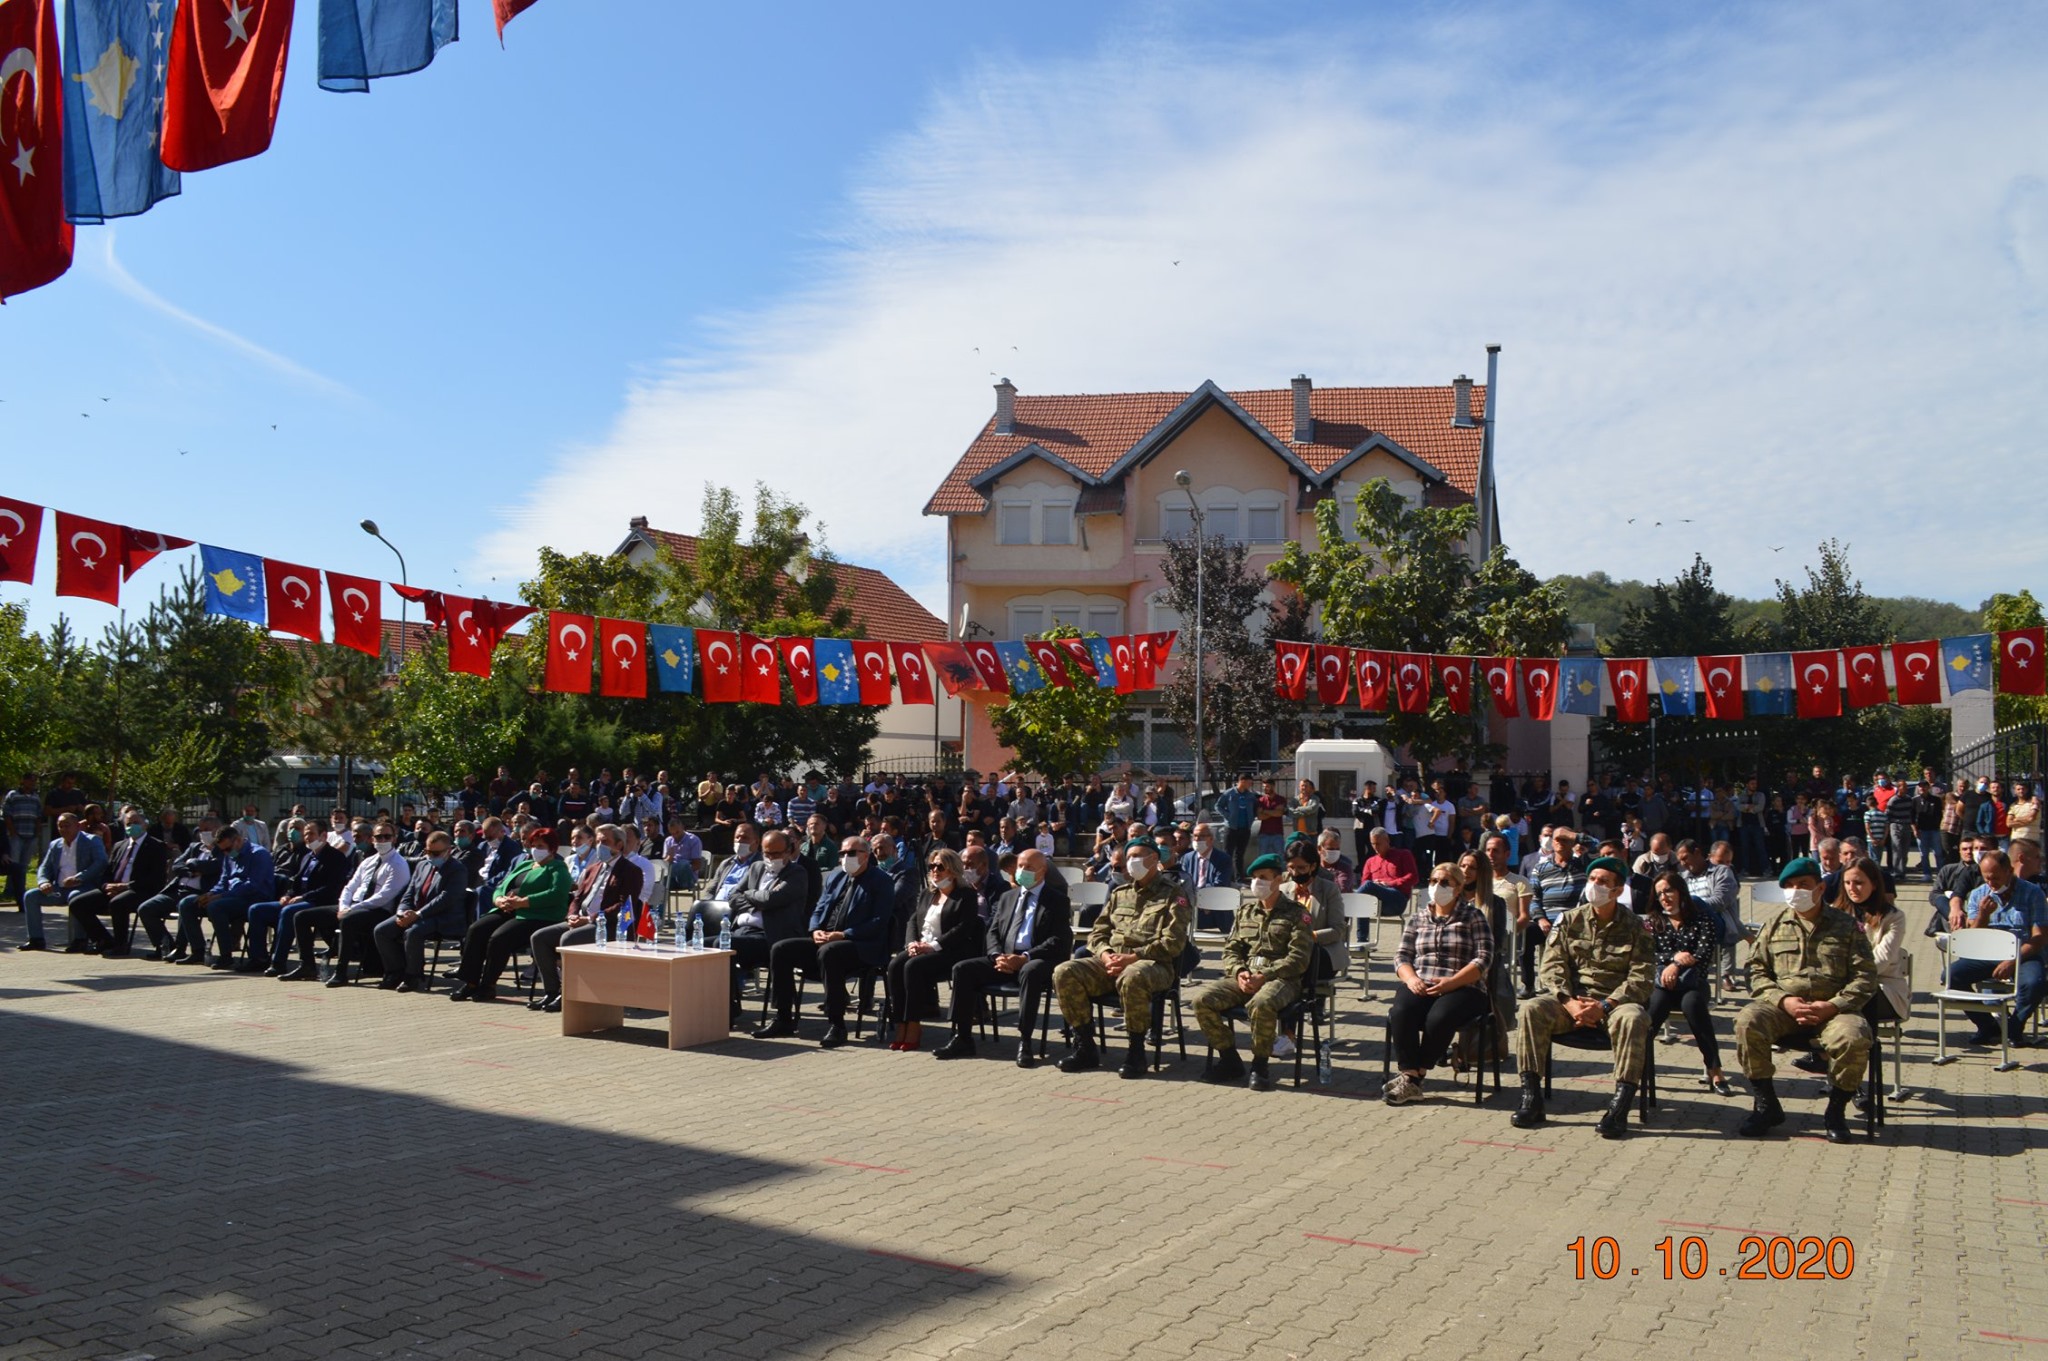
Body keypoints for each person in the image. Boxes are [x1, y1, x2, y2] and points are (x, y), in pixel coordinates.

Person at [1733, 856, 1876, 1142]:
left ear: (1820, 888)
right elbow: (1755, 972)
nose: (1795, 891)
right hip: (1785, 1009)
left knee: (1854, 1037)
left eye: (1803, 885)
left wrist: (1832, 1005)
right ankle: (1766, 1105)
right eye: (1789, 886)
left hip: (1834, 1010)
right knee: (1747, 1021)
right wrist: (1783, 1000)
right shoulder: (1774, 925)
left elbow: (1866, 977)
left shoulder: (1846, 926)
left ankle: (1835, 1111)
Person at [1510, 855, 1653, 1140]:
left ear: (1617, 890)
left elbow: (1642, 977)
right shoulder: (1570, 920)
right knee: (1531, 1009)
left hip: (1615, 1005)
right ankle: (1532, 1098)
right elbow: (1552, 966)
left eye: (1603, 882)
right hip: (1571, 1003)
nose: (1595, 886)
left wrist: (1604, 1005)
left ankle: (1619, 1107)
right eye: (1592, 880)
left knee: (1635, 1019)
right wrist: (1568, 1001)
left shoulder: (1635, 927)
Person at [1052, 836, 1192, 1079]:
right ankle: (1085, 1046)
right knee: (1064, 971)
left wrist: (1134, 957)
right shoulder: (1120, 893)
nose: (1131, 862)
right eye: (1128, 858)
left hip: (1154, 966)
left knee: (1132, 975)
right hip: (1112, 963)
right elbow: (1098, 932)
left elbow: (1174, 942)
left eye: (1137, 857)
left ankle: (1136, 1052)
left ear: (1154, 858)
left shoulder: (1174, 894)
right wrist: (1105, 955)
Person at [934, 848, 1073, 1066]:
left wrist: (1025, 957)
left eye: (1029, 867)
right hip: (1004, 958)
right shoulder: (1008, 897)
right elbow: (993, 931)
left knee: (1030, 971)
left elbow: (1058, 940)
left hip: (1036, 961)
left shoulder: (1057, 900)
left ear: (1042, 871)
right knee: (962, 969)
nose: (1022, 871)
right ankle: (962, 1037)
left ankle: (1025, 1042)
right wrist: (997, 955)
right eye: (1020, 866)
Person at [755, 837, 897, 1048]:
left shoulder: (881, 880)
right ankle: (783, 1018)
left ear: (866, 856)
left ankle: (837, 1025)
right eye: (842, 853)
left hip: (861, 945)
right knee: (781, 949)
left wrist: (845, 934)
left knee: (830, 952)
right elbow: (819, 907)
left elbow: (879, 921)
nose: (845, 858)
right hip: (826, 939)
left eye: (851, 853)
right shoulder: (836, 876)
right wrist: (815, 930)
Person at [1191, 853, 1314, 1091]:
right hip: (1246, 976)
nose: (1257, 883)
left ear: (1279, 879)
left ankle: (1260, 1065)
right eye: (1255, 878)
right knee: (1201, 1000)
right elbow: (1231, 949)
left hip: (1281, 979)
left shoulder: (1297, 913)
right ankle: (1229, 1059)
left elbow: (1298, 958)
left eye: (1264, 877)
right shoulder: (1246, 911)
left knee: (1262, 1004)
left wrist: (1264, 976)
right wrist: (1239, 971)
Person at [1383, 859, 1495, 1104]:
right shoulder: (1419, 917)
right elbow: (1402, 955)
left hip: (1464, 987)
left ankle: (1415, 1075)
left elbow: (1484, 958)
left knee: (1439, 1017)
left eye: (1445, 882)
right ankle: (1411, 1076)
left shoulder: (1473, 916)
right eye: (1434, 881)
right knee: (1401, 1011)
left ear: (1458, 887)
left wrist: (1452, 982)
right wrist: (1411, 979)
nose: (1437, 886)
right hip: (1422, 982)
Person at [527, 824, 644, 1011]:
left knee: (568, 939)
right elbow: (578, 897)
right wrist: (572, 915)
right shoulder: (593, 868)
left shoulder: (631, 871)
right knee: (539, 937)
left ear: (619, 844)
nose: (599, 846)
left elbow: (625, 906)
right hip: (580, 921)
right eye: (597, 841)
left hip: (609, 927)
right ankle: (551, 991)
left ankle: (568, 995)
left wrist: (591, 919)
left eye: (605, 842)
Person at [449, 828, 573, 1002]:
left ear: (552, 848)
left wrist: (524, 902)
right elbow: (501, 885)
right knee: (477, 929)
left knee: (499, 938)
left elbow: (556, 894)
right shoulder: (524, 864)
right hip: (508, 909)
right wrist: (499, 899)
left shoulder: (558, 868)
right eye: (533, 845)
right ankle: (470, 982)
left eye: (541, 846)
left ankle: (488, 985)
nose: (536, 849)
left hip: (537, 916)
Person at [882, 847, 982, 1052]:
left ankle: (914, 1025)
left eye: (940, 866)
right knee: (895, 965)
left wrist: (933, 946)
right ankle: (900, 1021)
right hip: (922, 947)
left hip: (950, 951)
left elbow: (963, 929)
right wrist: (911, 943)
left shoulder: (966, 895)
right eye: (932, 866)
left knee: (913, 967)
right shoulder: (928, 894)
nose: (935, 870)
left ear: (953, 870)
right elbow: (912, 920)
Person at [285, 825, 411, 984]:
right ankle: (307, 965)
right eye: (379, 837)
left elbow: (385, 896)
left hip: (377, 910)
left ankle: (341, 971)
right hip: (353, 906)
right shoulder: (368, 862)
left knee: (349, 920)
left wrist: (352, 909)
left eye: (387, 837)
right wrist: (344, 905)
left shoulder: (398, 864)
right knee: (301, 916)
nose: (383, 840)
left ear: (394, 838)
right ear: (372, 839)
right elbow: (350, 886)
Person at [1643, 869, 1731, 1095]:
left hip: (1693, 982)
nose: (1665, 897)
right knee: (1654, 1008)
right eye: (1660, 893)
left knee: (1693, 1004)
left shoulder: (1702, 918)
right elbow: (1646, 954)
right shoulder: (1653, 922)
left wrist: (1677, 966)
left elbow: (1702, 956)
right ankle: (1635, 1065)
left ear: (1681, 891)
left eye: (1669, 890)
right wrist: (1673, 959)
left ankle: (1715, 1070)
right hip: (1663, 983)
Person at [1949, 847, 2048, 1045]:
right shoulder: (1979, 894)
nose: (1991, 883)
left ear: (2008, 871)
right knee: (1951, 976)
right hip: (1988, 953)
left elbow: (2039, 937)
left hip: (2023, 953)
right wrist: (1983, 916)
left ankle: (2015, 1026)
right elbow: (1972, 937)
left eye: (1995, 878)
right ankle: (1987, 1025)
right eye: (1986, 878)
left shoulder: (2032, 893)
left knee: (2035, 982)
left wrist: (2013, 960)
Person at [233, 822, 349, 974]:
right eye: (306, 834)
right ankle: (258, 958)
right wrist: (287, 895)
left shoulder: (336, 857)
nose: (307, 838)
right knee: (257, 910)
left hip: (319, 902)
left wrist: (303, 897)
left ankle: (278, 961)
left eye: (312, 834)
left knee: (289, 912)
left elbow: (332, 888)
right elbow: (296, 882)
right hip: (298, 899)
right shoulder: (307, 856)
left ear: (323, 836)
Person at [723, 827, 809, 1023]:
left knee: (722, 947)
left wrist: (751, 895)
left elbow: (771, 898)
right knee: (705, 945)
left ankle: (779, 1017)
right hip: (742, 931)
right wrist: (756, 903)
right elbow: (733, 897)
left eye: (776, 853)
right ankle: (726, 1004)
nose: (770, 858)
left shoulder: (797, 873)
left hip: (771, 936)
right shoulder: (757, 868)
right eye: (766, 853)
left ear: (789, 851)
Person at [371, 830, 471, 992]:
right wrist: (402, 912)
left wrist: (417, 914)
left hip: (444, 918)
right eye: (428, 851)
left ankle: (413, 977)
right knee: (381, 930)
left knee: (413, 932)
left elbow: (445, 899)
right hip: (416, 914)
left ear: (448, 851)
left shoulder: (457, 870)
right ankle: (395, 972)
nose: (431, 856)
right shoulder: (422, 865)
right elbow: (409, 892)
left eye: (436, 853)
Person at [63, 807, 169, 957]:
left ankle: (121, 945)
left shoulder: (156, 846)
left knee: (118, 903)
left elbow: (155, 878)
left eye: (136, 822)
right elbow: (106, 872)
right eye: (128, 824)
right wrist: (106, 885)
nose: (132, 826)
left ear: (145, 824)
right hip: (114, 888)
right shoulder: (120, 846)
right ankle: (104, 940)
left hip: (140, 890)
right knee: (78, 903)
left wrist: (125, 886)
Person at [18, 811, 109, 952]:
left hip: (83, 887)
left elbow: (100, 863)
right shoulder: (55, 844)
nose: (63, 829)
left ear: (78, 826)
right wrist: (43, 882)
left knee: (75, 898)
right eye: (60, 826)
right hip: (59, 889)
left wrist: (79, 877)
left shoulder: (92, 841)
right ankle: (36, 939)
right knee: (31, 896)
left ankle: (79, 940)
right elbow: (45, 866)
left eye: (67, 825)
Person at [1521, 828, 1586, 999]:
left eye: (1565, 840)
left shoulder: (1583, 864)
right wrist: (1540, 918)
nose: (1560, 842)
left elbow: (1595, 846)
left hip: (1574, 921)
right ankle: (1528, 985)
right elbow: (1534, 897)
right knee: (1525, 934)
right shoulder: (1540, 868)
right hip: (1547, 922)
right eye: (1557, 839)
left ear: (1573, 843)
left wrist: (1574, 836)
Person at [1358, 827, 1419, 934]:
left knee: (1367, 886)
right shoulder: (1370, 861)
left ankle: (1348, 905)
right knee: (1363, 901)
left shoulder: (1403, 854)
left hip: (1397, 899)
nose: (1375, 847)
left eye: (1378, 843)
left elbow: (1413, 877)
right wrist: (1376, 885)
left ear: (1387, 841)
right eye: (1373, 844)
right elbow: (1363, 883)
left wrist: (1389, 884)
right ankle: (1362, 942)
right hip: (1375, 903)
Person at [3, 773, 41, 907]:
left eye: (34, 781)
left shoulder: (36, 797)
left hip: (30, 835)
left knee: (24, 865)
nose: (32, 783)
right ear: (23, 781)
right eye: (30, 780)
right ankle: (9, 889)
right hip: (16, 834)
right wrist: (12, 831)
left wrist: (37, 833)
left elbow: (38, 815)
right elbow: (6, 814)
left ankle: (20, 890)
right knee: (13, 863)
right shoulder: (13, 794)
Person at [1218, 774, 1259, 876]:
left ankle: (1239, 877)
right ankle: (1226, 876)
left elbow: (1256, 807)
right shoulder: (1229, 793)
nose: (1250, 785)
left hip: (1245, 828)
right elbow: (1218, 806)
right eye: (1249, 783)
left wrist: (1252, 818)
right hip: (1231, 828)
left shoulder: (1250, 796)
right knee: (1228, 854)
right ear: (1242, 781)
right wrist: (1228, 816)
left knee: (1240, 854)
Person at [1178, 823, 1236, 890]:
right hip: (1191, 897)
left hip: (1213, 896)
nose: (1197, 839)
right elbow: (1183, 880)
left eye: (1201, 836)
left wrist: (1199, 890)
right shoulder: (1187, 858)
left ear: (1211, 839)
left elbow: (1221, 883)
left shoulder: (1223, 859)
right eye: (1195, 836)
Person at [1313, 828, 1356, 893]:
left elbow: (1341, 890)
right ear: (1319, 848)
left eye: (1337, 849)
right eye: (1330, 849)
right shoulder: (1313, 867)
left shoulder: (1345, 868)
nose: (1334, 852)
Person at [1253, 780, 1287, 859]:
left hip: (1277, 833)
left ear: (1273, 786)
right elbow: (1260, 817)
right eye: (1264, 787)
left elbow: (1279, 813)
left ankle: (1280, 871)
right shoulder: (1261, 800)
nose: (1265, 789)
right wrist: (1273, 812)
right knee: (1262, 857)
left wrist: (1264, 811)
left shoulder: (1280, 799)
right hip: (1264, 834)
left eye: (1267, 786)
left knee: (1280, 857)